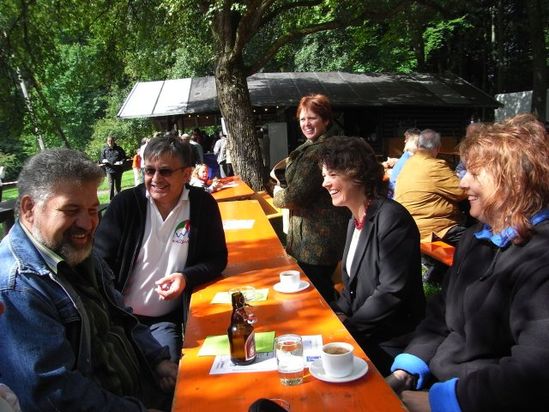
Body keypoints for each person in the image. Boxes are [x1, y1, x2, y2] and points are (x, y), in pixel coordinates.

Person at [386, 114, 549, 412]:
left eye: (474, 173)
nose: (463, 183)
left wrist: (440, 402)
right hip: (439, 382)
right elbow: (440, 313)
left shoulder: (542, 257)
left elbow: (534, 373)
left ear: (514, 180)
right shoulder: (476, 238)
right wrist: (407, 369)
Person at [0, 148, 177, 411]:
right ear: (29, 209)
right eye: (71, 210)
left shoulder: (74, 251)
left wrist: (158, 361)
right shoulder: (17, 286)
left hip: (143, 390)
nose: (87, 223)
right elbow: (53, 393)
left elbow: (121, 317)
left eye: (93, 210)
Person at [94, 136, 228, 361]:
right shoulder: (125, 205)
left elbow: (217, 259)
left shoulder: (202, 205)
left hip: (162, 322)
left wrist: (186, 277)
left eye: (165, 171)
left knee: (170, 372)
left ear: (186, 174)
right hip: (119, 320)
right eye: (149, 171)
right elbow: (99, 264)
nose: (156, 179)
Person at [318, 136, 425, 376]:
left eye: (332, 174)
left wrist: (348, 330)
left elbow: (391, 291)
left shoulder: (392, 219)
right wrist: (333, 315)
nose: (324, 183)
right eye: (324, 175)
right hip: (363, 332)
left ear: (356, 173)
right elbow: (351, 288)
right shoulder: (355, 220)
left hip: (389, 342)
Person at [273, 94, 349, 303]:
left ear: (326, 120)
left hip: (317, 238)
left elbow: (296, 195)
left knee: (318, 293)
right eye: (302, 119)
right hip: (313, 235)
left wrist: (277, 195)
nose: (306, 124)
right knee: (319, 287)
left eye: (312, 118)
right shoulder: (312, 146)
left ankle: (338, 318)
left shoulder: (320, 151)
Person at [394, 128, 467, 245]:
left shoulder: (409, 164)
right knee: (476, 241)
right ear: (438, 148)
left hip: (410, 227)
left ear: (418, 145)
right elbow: (463, 191)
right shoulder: (435, 166)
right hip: (434, 231)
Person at [388, 128, 420, 197]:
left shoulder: (413, 157)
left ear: (413, 140)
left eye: (407, 139)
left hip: (397, 196)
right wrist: (396, 161)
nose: (404, 141)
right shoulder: (408, 154)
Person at [100, 135, 127, 200]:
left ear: (114, 141)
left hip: (118, 170)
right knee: (111, 185)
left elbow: (124, 157)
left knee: (118, 186)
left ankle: (118, 200)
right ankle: (111, 200)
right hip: (109, 170)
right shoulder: (104, 150)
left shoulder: (119, 149)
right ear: (107, 142)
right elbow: (101, 159)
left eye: (111, 141)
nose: (110, 142)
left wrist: (121, 162)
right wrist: (104, 161)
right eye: (109, 141)